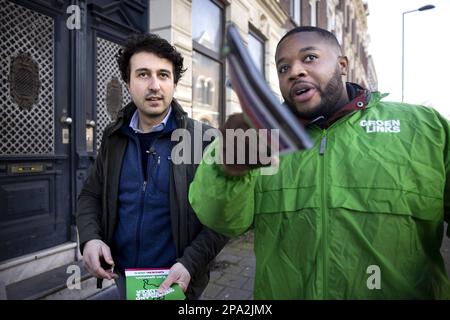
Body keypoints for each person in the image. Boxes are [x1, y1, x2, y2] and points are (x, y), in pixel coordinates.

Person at [189, 26, 450, 299]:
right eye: (282, 68)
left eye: (310, 57)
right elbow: (222, 221)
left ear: (342, 65)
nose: (294, 71)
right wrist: (227, 170)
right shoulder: (261, 136)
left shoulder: (425, 127)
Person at [76, 33, 228, 300]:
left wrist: (190, 263)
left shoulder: (204, 140)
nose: (154, 85)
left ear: (174, 82)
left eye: (164, 75)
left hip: (177, 280)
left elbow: (223, 217)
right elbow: (91, 194)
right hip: (122, 276)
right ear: (128, 81)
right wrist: (90, 238)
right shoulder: (114, 137)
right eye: (143, 74)